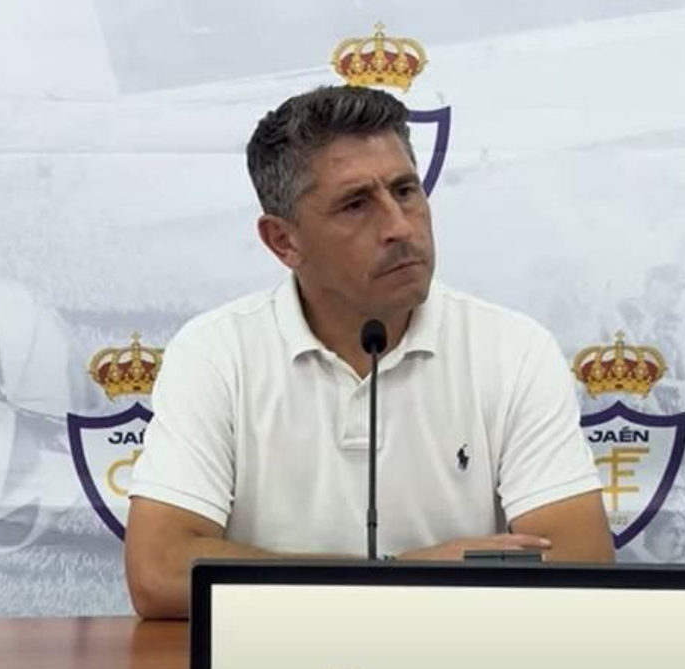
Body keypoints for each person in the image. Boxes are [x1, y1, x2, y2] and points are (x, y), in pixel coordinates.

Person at [122, 86, 613, 617]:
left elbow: (579, 559)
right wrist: (400, 576)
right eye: (356, 205)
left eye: (405, 192)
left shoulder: (512, 348)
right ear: (283, 241)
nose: (400, 228)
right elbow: (160, 570)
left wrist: (365, 588)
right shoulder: (216, 352)